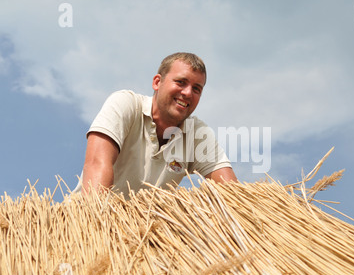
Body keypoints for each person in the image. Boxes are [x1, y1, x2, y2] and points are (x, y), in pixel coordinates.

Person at [73, 52, 237, 197]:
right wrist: (98, 224)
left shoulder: (197, 134)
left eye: (196, 89)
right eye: (181, 82)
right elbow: (97, 164)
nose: (187, 93)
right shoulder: (126, 104)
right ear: (157, 82)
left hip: (142, 230)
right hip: (85, 223)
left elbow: (231, 191)